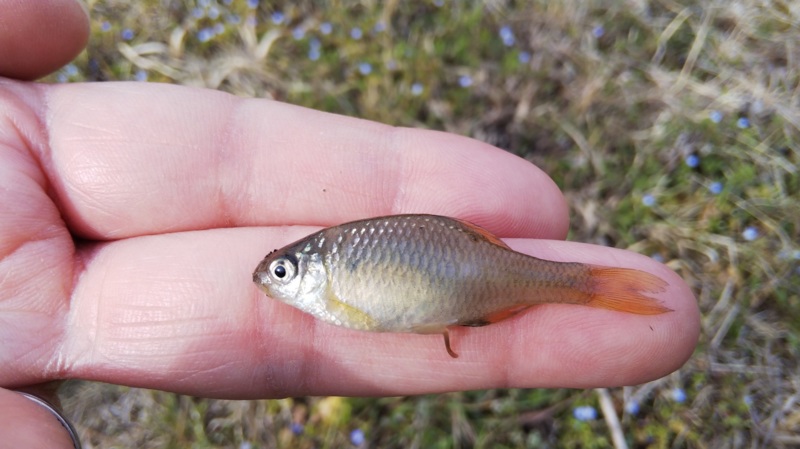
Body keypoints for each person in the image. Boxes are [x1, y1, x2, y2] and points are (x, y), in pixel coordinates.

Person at [0, 0, 700, 447]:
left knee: (561, 282)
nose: (273, 280)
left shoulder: (337, 267)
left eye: (282, 271)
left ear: (308, 268)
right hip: (463, 286)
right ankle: (592, 287)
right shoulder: (335, 263)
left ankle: (588, 287)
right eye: (279, 270)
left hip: (469, 281)